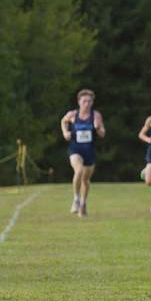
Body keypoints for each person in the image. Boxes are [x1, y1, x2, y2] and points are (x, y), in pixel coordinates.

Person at [61, 89, 105, 218]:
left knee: (85, 180)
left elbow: (102, 133)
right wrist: (65, 132)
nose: (87, 103)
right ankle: (76, 199)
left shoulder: (96, 116)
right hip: (75, 149)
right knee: (78, 171)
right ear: (79, 102)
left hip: (89, 151)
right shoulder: (73, 115)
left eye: (89, 101)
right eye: (84, 101)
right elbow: (63, 121)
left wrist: (98, 128)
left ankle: (83, 203)